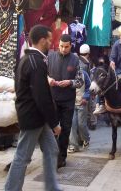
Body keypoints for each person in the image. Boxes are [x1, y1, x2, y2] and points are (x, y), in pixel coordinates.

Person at [5, 25, 61, 191]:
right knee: (22, 157)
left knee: (51, 149)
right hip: (33, 117)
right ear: (42, 40)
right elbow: (42, 97)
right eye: (50, 40)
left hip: (37, 116)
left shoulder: (28, 59)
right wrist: (54, 123)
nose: (51, 43)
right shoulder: (35, 62)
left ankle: (51, 187)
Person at [48, 34, 84, 168]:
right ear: (58, 45)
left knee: (65, 129)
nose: (64, 49)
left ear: (71, 46)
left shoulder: (76, 60)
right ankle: (51, 155)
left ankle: (62, 157)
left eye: (66, 47)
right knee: (52, 129)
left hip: (68, 101)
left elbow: (80, 81)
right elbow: (43, 74)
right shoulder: (50, 57)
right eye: (62, 46)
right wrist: (48, 79)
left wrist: (70, 82)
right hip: (52, 99)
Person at [68, 70, 91, 153]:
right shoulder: (66, 74)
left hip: (82, 102)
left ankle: (86, 138)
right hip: (70, 103)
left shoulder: (84, 74)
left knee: (81, 124)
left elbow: (89, 87)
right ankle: (73, 145)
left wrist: (85, 97)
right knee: (72, 125)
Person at [78, 44, 97, 130]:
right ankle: (92, 123)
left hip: (79, 90)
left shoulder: (77, 61)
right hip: (87, 88)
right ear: (88, 53)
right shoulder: (86, 64)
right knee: (92, 106)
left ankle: (88, 122)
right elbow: (89, 78)